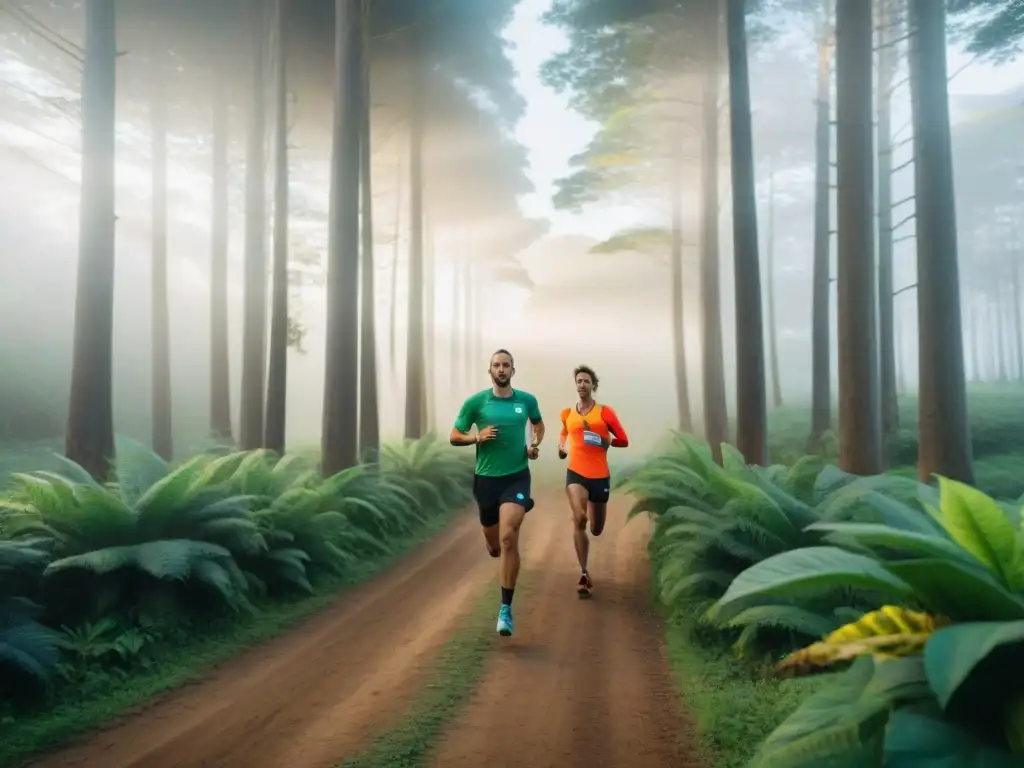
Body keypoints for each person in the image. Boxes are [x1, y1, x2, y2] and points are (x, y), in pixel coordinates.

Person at [450, 349, 545, 637]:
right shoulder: (476, 403)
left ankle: (505, 609)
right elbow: (455, 435)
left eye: (506, 365)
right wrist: (476, 437)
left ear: (513, 370)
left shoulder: (526, 401)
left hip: (516, 477)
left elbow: (538, 425)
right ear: (489, 370)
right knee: (494, 547)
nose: (501, 369)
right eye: (496, 365)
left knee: (508, 537)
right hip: (486, 481)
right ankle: (501, 530)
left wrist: (534, 444)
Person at [557, 364, 629, 598]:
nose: (582, 385)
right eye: (579, 381)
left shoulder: (604, 412)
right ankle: (584, 573)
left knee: (596, 529)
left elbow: (623, 440)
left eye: (586, 381)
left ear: (593, 386)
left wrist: (605, 441)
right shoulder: (568, 413)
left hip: (599, 476)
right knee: (579, 518)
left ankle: (591, 506)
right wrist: (561, 448)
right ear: (575, 385)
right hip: (575, 473)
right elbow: (564, 433)